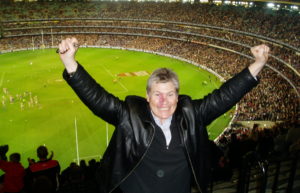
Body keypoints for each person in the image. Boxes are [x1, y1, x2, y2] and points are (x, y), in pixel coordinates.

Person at [58, 37, 269, 193]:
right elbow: (98, 100)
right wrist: (69, 62)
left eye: (169, 94)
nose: (163, 101)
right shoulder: (130, 116)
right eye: (157, 94)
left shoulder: (192, 115)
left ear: (178, 97)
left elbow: (224, 97)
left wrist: (257, 64)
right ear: (147, 96)